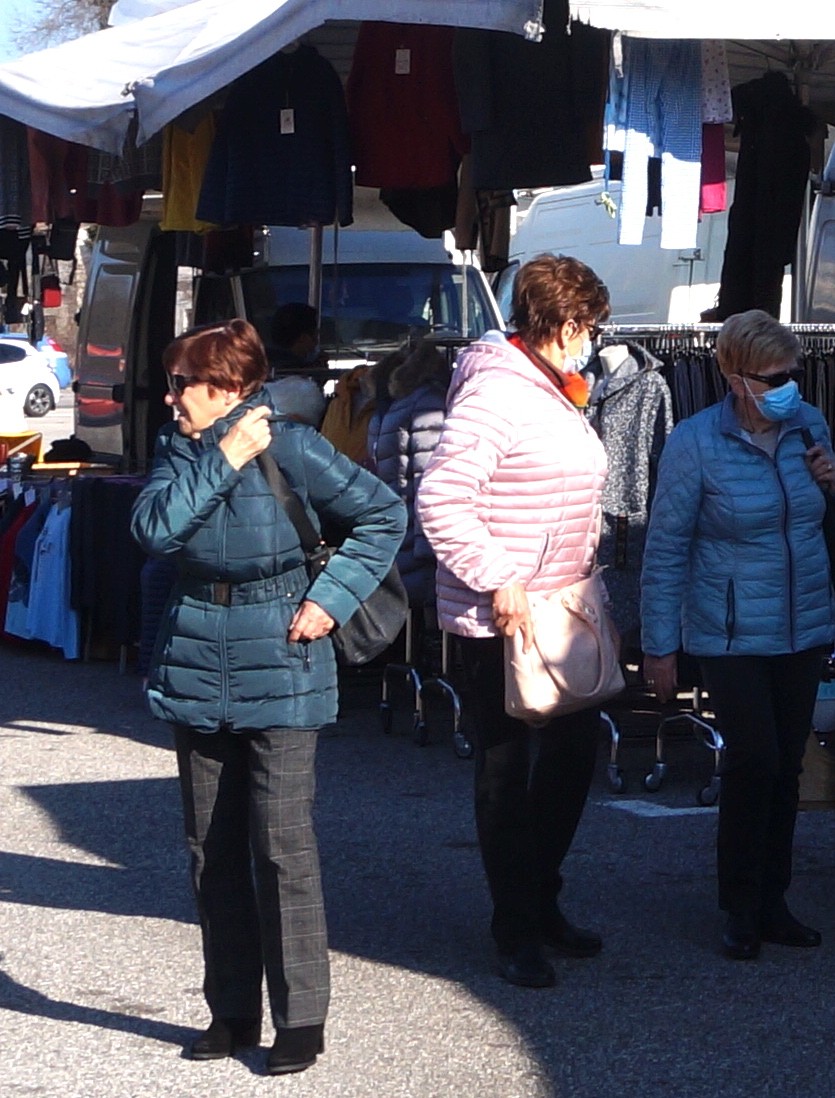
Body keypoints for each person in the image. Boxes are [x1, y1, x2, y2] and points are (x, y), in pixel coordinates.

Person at [130, 320, 404, 1074]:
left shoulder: (294, 446)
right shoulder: (180, 449)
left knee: (281, 847)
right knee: (209, 851)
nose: (172, 396)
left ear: (229, 388)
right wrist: (221, 457)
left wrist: (333, 600)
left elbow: (384, 516)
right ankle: (231, 1011)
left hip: (284, 660)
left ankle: (302, 1019)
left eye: (184, 383)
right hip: (194, 659)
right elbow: (154, 530)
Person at [416, 254, 610, 990]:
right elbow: (442, 498)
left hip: (561, 606)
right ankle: (516, 925)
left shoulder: (554, 388)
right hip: (498, 615)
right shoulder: (497, 392)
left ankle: (541, 900)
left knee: (568, 761)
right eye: (584, 323)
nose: (590, 336)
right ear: (557, 323)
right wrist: (499, 576)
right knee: (506, 773)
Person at [641, 309, 835, 960]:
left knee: (787, 766)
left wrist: (834, 482)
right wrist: (658, 643)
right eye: (775, 376)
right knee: (752, 761)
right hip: (727, 629)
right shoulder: (695, 443)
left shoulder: (807, 424)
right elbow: (665, 547)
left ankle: (774, 901)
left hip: (803, 622)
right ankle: (739, 903)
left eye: (794, 373)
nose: (789, 386)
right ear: (737, 378)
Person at [368, 339, 453, 608]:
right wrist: (429, 549)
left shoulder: (387, 407)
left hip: (395, 535)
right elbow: (429, 480)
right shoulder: (429, 406)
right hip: (419, 543)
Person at [265, 303, 324, 373]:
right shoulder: (297, 373)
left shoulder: (260, 366)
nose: (316, 342)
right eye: (316, 334)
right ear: (303, 338)